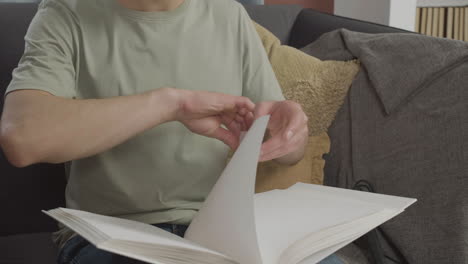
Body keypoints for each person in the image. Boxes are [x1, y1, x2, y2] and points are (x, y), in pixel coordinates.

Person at [0, 0, 342, 263]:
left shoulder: (229, 16)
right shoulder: (65, 14)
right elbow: (22, 137)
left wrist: (292, 135)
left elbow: (282, 148)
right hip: (113, 234)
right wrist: (169, 105)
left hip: (223, 231)